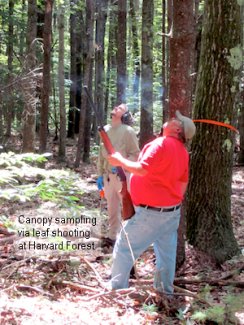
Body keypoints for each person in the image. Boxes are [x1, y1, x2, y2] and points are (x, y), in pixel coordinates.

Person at [106, 110, 196, 295]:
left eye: (174, 119)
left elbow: (141, 169)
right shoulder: (183, 152)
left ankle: (116, 290)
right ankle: (165, 293)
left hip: (150, 213)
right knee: (166, 256)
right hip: (171, 213)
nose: (171, 119)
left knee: (124, 247)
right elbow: (182, 184)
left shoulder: (161, 143)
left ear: (177, 129)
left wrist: (119, 160)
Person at [97, 103, 140, 248]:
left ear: (125, 115)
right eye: (117, 106)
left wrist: (123, 166)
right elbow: (101, 155)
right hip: (108, 176)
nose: (116, 108)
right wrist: (100, 174)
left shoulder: (128, 131)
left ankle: (131, 238)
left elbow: (136, 154)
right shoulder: (106, 130)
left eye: (121, 108)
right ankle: (112, 236)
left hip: (124, 175)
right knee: (111, 207)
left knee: (127, 207)